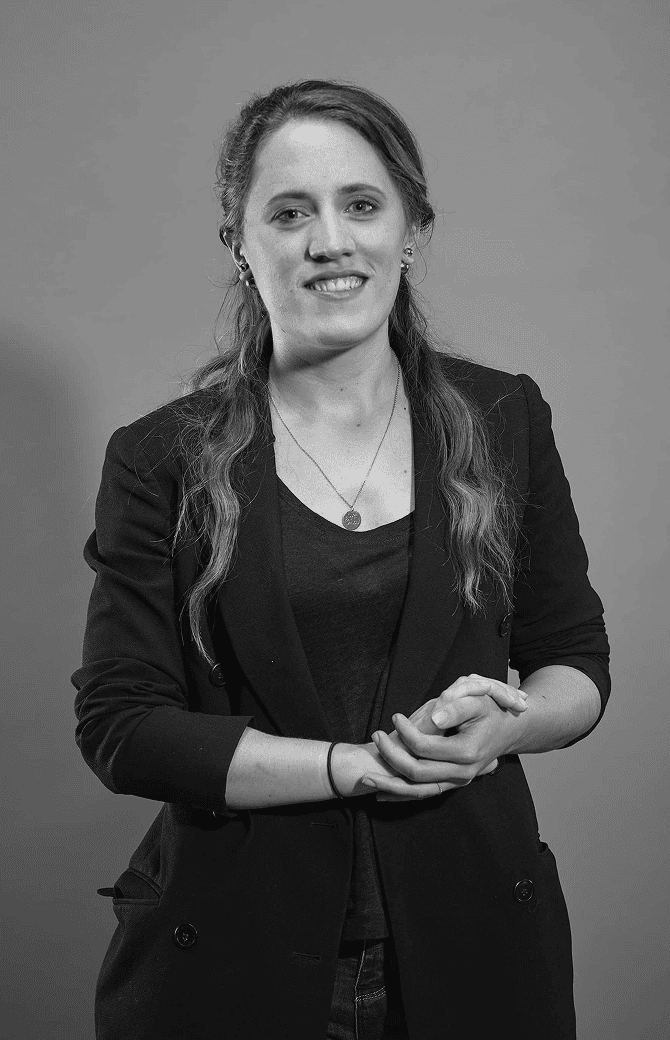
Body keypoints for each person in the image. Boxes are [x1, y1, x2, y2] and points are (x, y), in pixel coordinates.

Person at [72, 79, 610, 1040]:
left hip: (479, 944)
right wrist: (352, 768)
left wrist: (508, 727)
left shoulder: (505, 417)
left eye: (361, 205)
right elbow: (124, 727)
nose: (330, 240)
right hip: (230, 957)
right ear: (240, 245)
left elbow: (574, 661)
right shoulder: (160, 457)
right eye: (290, 213)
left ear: (410, 232)